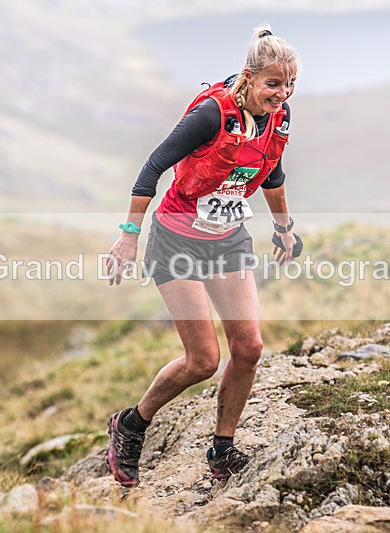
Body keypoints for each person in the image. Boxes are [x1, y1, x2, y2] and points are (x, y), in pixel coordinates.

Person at [104, 24, 300, 488]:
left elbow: (272, 173)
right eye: (274, 83)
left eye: (290, 84)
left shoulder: (280, 115)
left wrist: (284, 228)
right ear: (250, 77)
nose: (282, 93)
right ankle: (131, 424)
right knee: (202, 361)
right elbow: (153, 166)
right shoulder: (212, 114)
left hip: (228, 239)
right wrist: (129, 235)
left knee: (249, 348)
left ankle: (223, 448)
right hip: (177, 241)